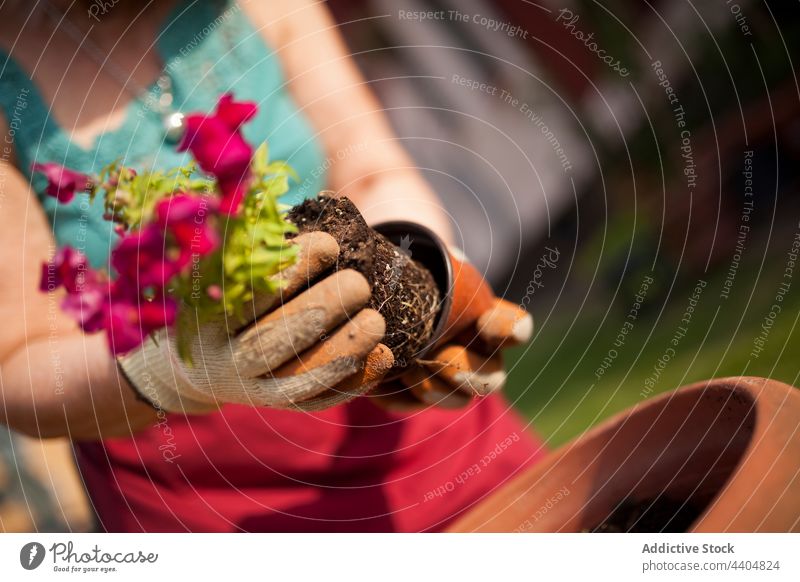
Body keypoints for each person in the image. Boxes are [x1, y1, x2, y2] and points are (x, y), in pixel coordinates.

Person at [0, 0, 544, 531]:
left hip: (391, 402)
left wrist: (421, 287)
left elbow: (370, 167)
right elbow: (18, 364)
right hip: (207, 494)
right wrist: (176, 368)